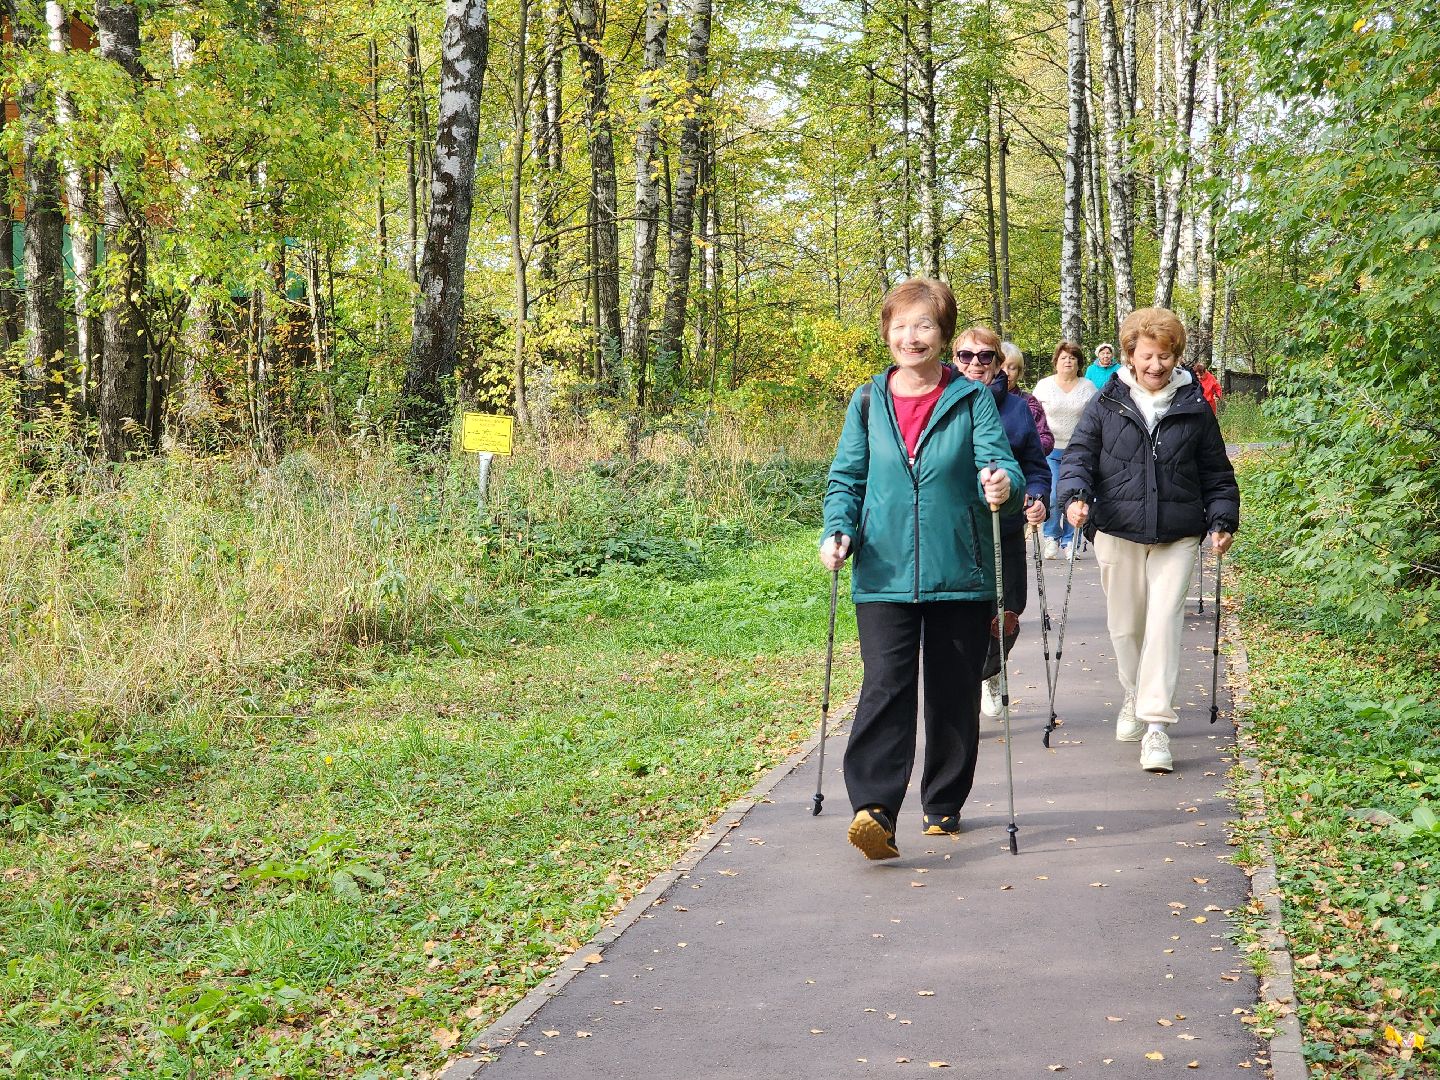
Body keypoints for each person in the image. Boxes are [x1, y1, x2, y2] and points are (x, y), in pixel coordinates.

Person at [821, 278, 1023, 860]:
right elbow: (847, 479)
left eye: (925, 326)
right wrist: (839, 529)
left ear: (943, 335)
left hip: (957, 569)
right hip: (882, 571)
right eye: (902, 325)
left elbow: (1000, 462)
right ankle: (875, 810)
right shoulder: (866, 401)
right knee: (885, 685)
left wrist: (1002, 484)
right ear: (886, 331)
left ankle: (943, 801)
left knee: (952, 690)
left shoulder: (971, 398)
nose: (912, 337)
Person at [1057, 307, 1239, 773]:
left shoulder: (1195, 407)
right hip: (1117, 529)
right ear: (1130, 357)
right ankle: (1133, 693)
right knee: (1126, 626)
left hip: (1177, 533)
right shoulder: (1106, 402)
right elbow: (1079, 455)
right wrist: (1075, 496)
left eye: (1164, 356)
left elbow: (1217, 473)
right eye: (1146, 356)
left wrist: (1222, 519)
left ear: (1175, 357)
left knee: (1164, 621)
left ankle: (1156, 725)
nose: (1155, 365)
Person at [955, 331, 1050, 719]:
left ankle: (991, 672)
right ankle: (962, 684)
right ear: (954, 357)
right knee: (962, 615)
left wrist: (1038, 498)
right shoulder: (940, 403)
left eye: (985, 357)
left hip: (1005, 526)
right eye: (966, 355)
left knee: (1009, 610)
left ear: (998, 363)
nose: (975, 363)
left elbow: (1036, 466)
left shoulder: (1016, 408)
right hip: (958, 532)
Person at [1032, 341, 1097, 560]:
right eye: (1063, 358)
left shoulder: (1088, 387)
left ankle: (1071, 541)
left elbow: (1095, 419)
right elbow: (1032, 415)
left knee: (1075, 498)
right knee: (1052, 495)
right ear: (1056, 362)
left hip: (1077, 451)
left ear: (1079, 362)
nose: (1067, 361)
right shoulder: (1044, 386)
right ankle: (1051, 537)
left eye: (1072, 358)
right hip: (1050, 449)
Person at [1000, 342, 1055, 454]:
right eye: (1001, 367)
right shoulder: (982, 398)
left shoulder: (1028, 402)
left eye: (1012, 368)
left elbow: (1046, 439)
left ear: (1019, 372)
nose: (1006, 373)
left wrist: (1024, 452)